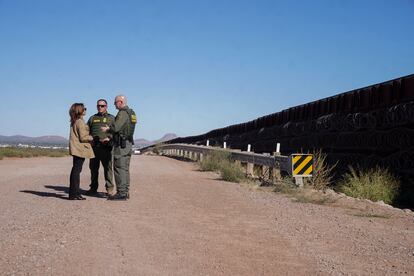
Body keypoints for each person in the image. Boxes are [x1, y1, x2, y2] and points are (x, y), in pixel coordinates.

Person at [101, 95, 137, 201]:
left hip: (121, 145)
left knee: (119, 168)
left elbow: (116, 127)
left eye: (115, 103)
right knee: (125, 169)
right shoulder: (131, 113)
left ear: (120, 102)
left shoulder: (122, 113)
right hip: (128, 143)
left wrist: (108, 129)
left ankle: (121, 193)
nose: (114, 105)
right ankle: (125, 191)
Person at [85, 99, 115, 196]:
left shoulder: (112, 118)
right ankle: (93, 188)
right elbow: (86, 130)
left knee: (108, 169)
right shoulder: (92, 118)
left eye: (102, 106)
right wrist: (89, 139)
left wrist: (109, 138)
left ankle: (110, 189)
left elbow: (116, 131)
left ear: (106, 106)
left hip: (106, 148)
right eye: (98, 106)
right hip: (94, 148)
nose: (100, 107)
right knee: (93, 169)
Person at [68, 103, 95, 200]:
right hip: (79, 149)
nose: (86, 110)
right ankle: (74, 194)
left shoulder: (74, 121)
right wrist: (92, 138)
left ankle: (73, 193)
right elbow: (83, 137)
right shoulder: (80, 122)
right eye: (85, 108)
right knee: (76, 171)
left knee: (75, 170)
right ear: (80, 110)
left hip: (76, 149)